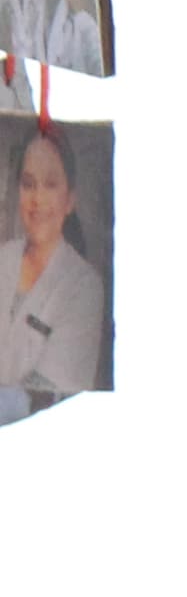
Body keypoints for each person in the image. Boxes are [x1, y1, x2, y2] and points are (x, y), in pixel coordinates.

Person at [3, 130, 108, 403]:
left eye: (50, 184)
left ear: (70, 200)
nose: (37, 199)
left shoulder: (84, 287)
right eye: (28, 184)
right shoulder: (4, 257)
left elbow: (48, 396)